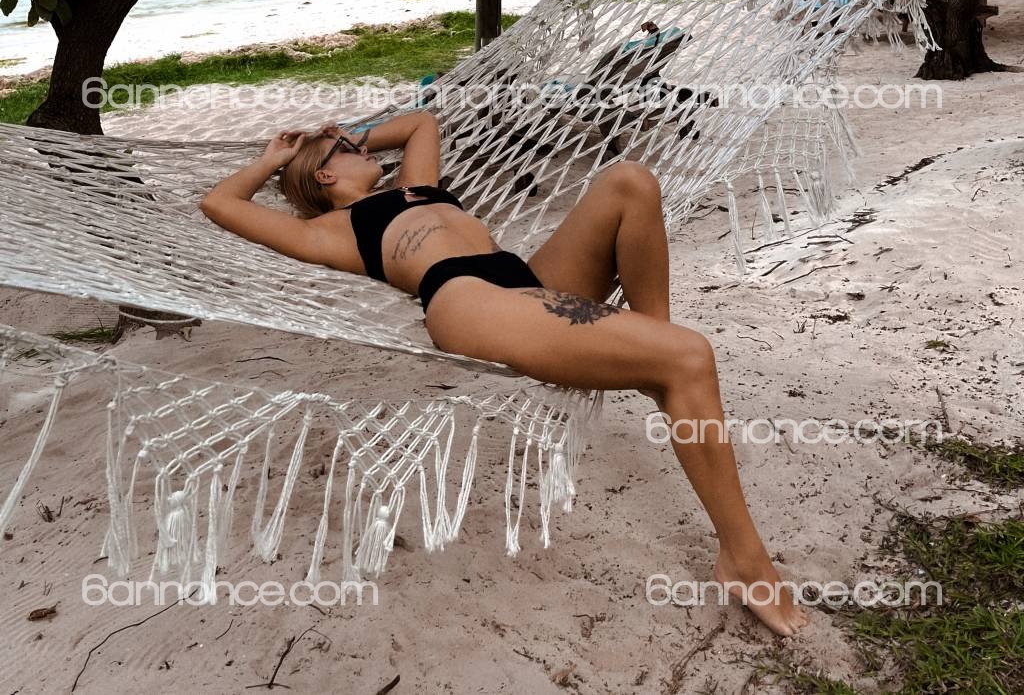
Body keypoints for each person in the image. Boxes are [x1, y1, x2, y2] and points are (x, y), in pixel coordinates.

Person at [201, 110, 807, 636]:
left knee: (630, 180)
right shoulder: (327, 232)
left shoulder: (417, 188)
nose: (361, 147)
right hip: (465, 299)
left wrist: (347, 134)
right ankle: (741, 555)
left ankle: (652, 355)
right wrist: (277, 157)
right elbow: (220, 204)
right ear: (325, 176)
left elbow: (420, 124)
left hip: (523, 279)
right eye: (346, 150)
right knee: (691, 356)